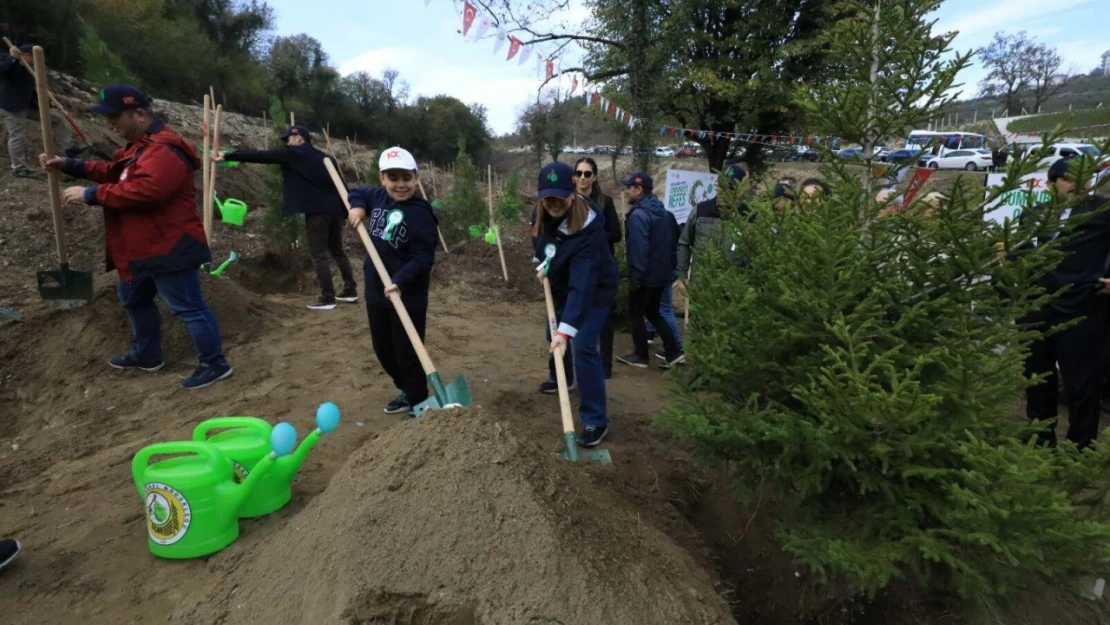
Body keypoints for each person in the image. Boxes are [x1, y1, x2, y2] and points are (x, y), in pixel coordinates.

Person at [40, 84, 232, 390]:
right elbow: (114, 172)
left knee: (188, 307)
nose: (110, 123)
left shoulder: (164, 149)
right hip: (143, 246)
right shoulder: (138, 148)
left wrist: (91, 194)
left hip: (170, 245)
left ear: (139, 114)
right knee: (132, 297)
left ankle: (215, 363)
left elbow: (148, 190)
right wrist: (70, 165)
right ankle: (147, 354)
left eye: (115, 116)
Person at [1020, 158, 1110, 448]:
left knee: (1081, 382)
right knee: (1037, 376)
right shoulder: (1033, 214)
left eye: (1082, 178)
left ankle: (1080, 446)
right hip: (1036, 307)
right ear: (1050, 183)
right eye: (1069, 178)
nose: (1077, 184)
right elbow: (1019, 252)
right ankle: (1040, 436)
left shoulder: (1102, 210)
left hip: (1082, 305)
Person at [217, 125, 357, 310]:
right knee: (337, 251)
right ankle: (350, 291)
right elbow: (340, 185)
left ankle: (327, 297)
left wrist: (228, 155)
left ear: (299, 137)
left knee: (318, 254)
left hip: (316, 212)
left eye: (288, 139)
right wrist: (346, 212)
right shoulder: (326, 158)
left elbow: (261, 156)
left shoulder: (293, 154)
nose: (286, 143)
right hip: (334, 211)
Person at [347, 147, 437, 417]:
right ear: (382, 178)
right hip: (376, 291)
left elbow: (423, 257)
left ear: (416, 178)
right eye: (393, 178)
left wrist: (400, 280)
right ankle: (408, 390)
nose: (401, 185)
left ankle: (419, 399)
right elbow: (357, 192)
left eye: (406, 178)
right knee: (383, 350)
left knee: (407, 351)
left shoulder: (421, 213)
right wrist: (358, 207)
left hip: (407, 294)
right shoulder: (376, 196)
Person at [533, 161, 618, 447]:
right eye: (548, 198)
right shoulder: (542, 212)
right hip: (561, 286)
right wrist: (543, 261)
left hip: (594, 291)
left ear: (573, 190)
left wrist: (566, 331)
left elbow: (582, 285)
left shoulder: (589, 229)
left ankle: (595, 420)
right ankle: (564, 379)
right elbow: (542, 242)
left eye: (561, 197)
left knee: (580, 345)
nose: (555, 204)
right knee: (553, 335)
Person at [617, 171, 684, 369]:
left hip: (645, 276)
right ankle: (673, 351)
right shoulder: (664, 213)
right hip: (662, 275)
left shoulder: (638, 216)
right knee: (654, 312)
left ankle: (640, 355)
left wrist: (635, 278)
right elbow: (675, 242)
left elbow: (639, 249)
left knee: (635, 313)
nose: (626, 191)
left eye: (628, 188)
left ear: (638, 190)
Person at [2, 43, 80, 179]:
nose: (36, 61)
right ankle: (19, 169)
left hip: (25, 105)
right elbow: (2, 71)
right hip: (11, 107)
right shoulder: (9, 62)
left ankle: (70, 149)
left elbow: (30, 91)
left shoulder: (30, 69)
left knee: (56, 120)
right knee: (16, 135)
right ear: (26, 56)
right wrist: (12, 57)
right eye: (33, 57)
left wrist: (48, 104)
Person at [574, 157, 621, 379]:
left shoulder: (605, 202)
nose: (583, 178)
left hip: (602, 269)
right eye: (579, 173)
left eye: (587, 173)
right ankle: (577, 366)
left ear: (595, 177)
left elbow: (617, 234)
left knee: (603, 319)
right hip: (575, 269)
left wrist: (593, 235)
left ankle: (605, 367)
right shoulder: (567, 201)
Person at [676, 163, 749, 286]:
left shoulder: (746, 216)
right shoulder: (700, 211)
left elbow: (753, 252)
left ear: (739, 190)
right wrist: (682, 275)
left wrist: (751, 283)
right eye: (721, 185)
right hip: (702, 285)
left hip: (734, 289)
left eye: (730, 187)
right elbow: (684, 243)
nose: (724, 191)